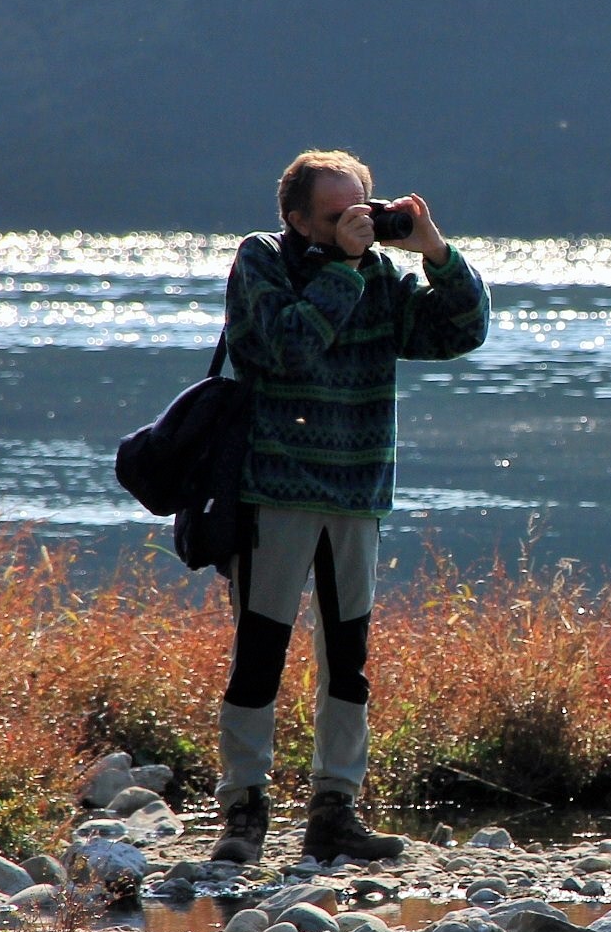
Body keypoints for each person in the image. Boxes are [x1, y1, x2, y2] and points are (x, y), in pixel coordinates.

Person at [207, 148, 490, 865]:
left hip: (358, 494)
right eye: (335, 215)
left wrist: (438, 256)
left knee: (350, 662)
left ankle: (336, 809)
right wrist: (341, 268)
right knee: (259, 657)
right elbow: (286, 348)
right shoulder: (262, 261)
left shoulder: (383, 279)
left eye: (360, 208)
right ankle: (243, 810)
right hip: (275, 492)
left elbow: (462, 332)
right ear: (297, 217)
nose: (353, 224)